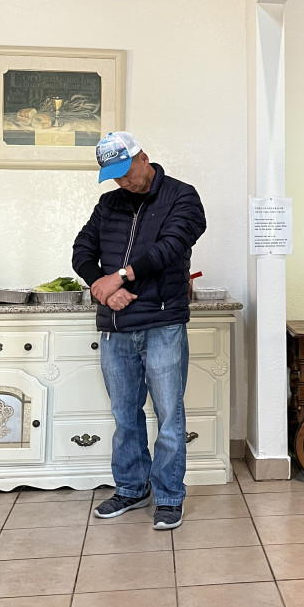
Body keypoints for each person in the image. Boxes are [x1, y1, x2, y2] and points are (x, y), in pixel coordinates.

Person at [73, 131, 206, 531]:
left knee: (169, 417)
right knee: (125, 416)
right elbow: (82, 250)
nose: (123, 181)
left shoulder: (182, 197)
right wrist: (103, 288)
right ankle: (132, 489)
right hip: (116, 326)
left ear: (143, 158)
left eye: (126, 171)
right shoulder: (108, 204)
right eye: (114, 176)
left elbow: (170, 247)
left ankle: (168, 496)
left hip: (162, 323)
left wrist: (120, 277)